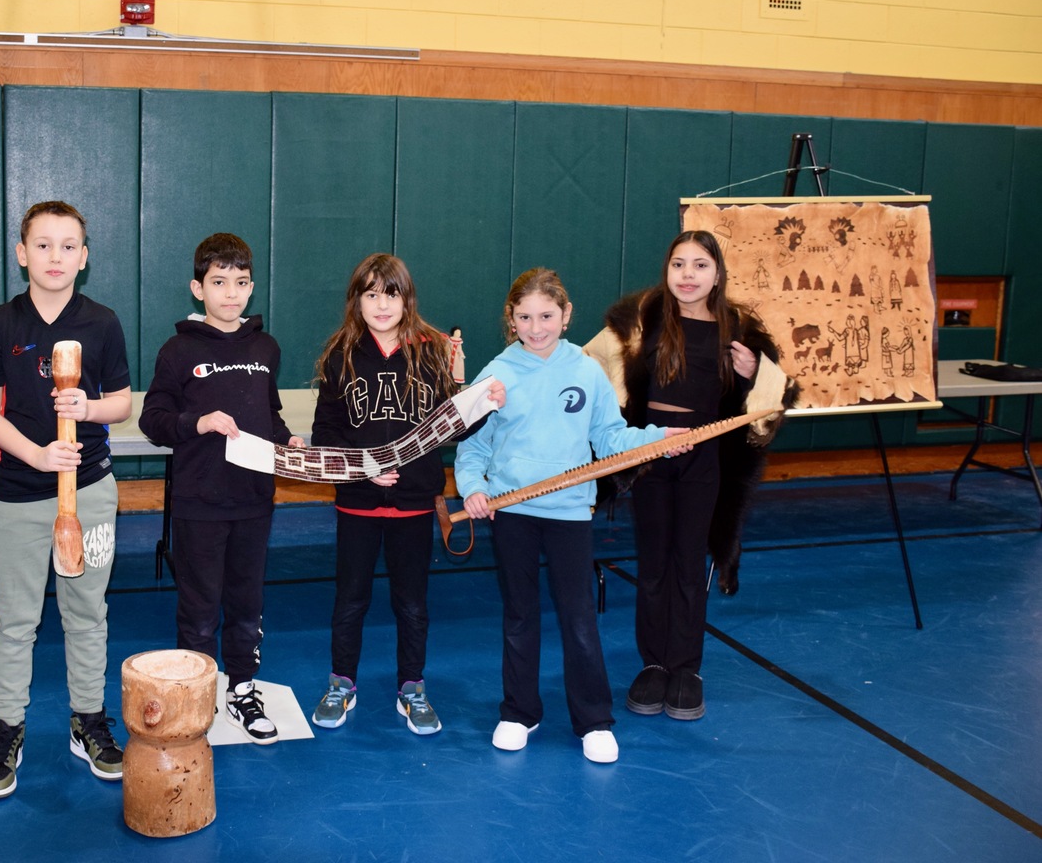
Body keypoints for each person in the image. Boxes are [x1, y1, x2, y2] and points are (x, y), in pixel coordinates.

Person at [455, 267, 685, 764]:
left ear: (566, 316)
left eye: (546, 315)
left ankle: (594, 720)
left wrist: (654, 441)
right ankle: (519, 712)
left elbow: (610, 439)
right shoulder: (495, 375)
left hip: (569, 515)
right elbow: (472, 448)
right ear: (510, 319)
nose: (535, 327)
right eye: (524, 317)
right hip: (511, 512)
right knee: (519, 616)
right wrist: (473, 489)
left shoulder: (585, 370)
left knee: (579, 619)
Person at [584, 230, 793, 723]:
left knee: (687, 564)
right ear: (667, 269)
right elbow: (590, 363)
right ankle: (653, 663)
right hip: (651, 456)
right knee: (653, 563)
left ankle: (686, 668)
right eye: (679, 264)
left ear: (717, 273)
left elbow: (770, 397)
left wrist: (750, 373)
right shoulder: (645, 318)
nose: (688, 275)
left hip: (704, 459)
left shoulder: (736, 327)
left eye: (700, 265)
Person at [0, 201, 133, 797]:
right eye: (43, 245)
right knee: (15, 619)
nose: (56, 256)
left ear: (84, 257)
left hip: (88, 492)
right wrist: (35, 455)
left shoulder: (102, 323)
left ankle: (87, 719)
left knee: (86, 612)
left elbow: (122, 401)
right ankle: (6, 728)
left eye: (69, 246)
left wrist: (89, 408)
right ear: (22, 254)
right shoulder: (0, 324)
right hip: (17, 494)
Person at [309, 254, 503, 736]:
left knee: (412, 603)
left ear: (406, 299)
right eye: (370, 294)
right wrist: (365, 467)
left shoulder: (432, 351)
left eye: (390, 293)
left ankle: (412, 687)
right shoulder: (340, 354)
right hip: (357, 501)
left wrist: (481, 400)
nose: (380, 304)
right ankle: (341, 683)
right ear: (356, 300)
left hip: (415, 503)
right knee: (350, 599)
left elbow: (453, 426)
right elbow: (324, 434)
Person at [138, 233, 304, 745]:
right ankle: (199, 693)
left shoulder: (265, 347)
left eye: (240, 283)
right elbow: (154, 419)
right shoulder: (178, 349)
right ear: (197, 288)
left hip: (254, 501)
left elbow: (269, 414)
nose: (230, 293)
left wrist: (287, 439)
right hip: (199, 501)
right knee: (199, 605)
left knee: (247, 602)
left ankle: (243, 688)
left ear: (251, 288)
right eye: (218, 283)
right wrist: (200, 421)